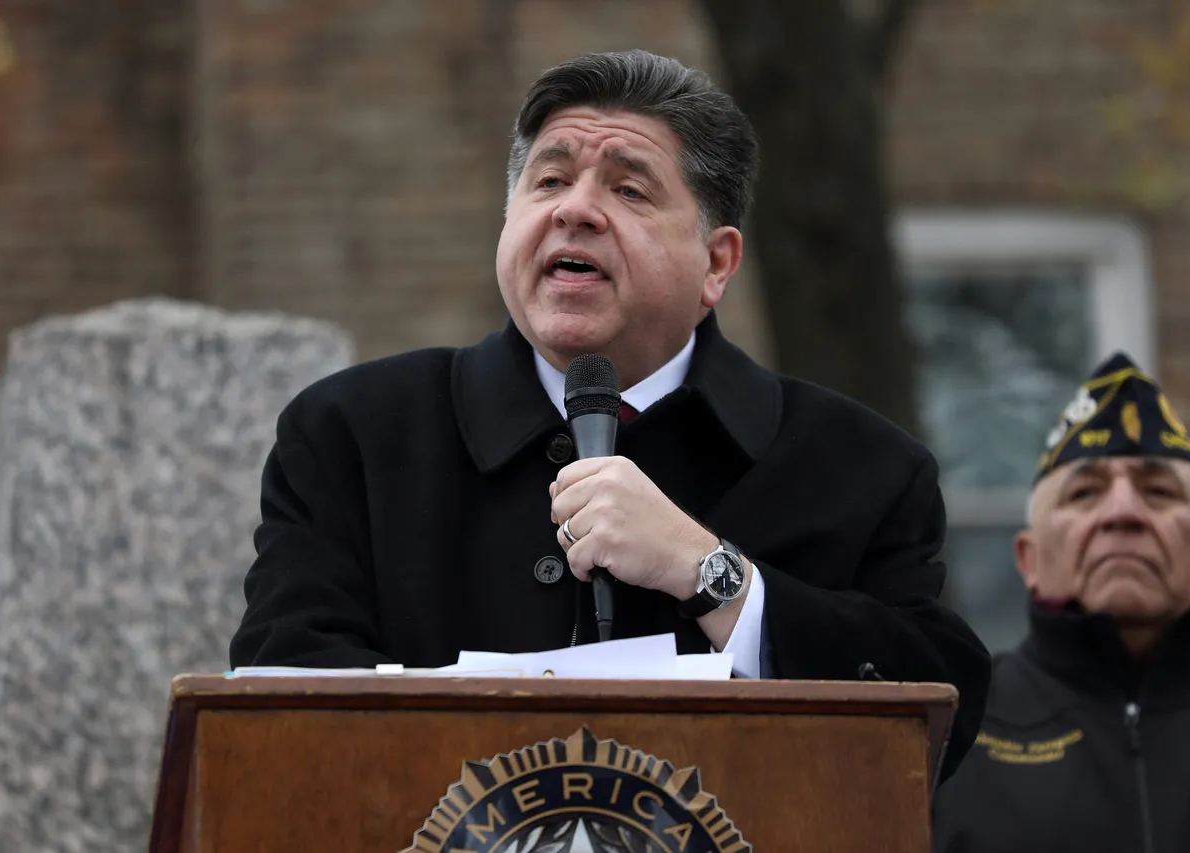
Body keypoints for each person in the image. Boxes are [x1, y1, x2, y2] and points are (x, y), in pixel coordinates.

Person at [229, 49, 989, 781]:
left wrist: (711, 574)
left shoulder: (861, 466)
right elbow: (280, 704)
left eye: (629, 190)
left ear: (717, 263)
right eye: (549, 178)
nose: (576, 209)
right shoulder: (351, 436)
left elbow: (932, 711)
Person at [932, 352, 1190, 852]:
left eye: (1159, 491)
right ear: (1028, 559)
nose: (1122, 512)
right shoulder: (949, 735)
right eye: (1084, 494)